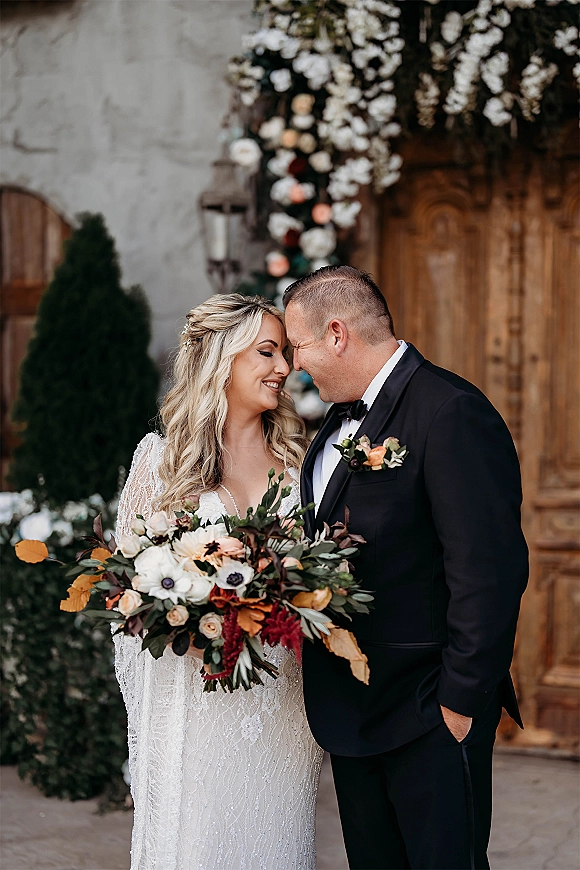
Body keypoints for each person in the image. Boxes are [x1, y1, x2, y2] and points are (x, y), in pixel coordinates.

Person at [283, 265, 529, 870]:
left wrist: (460, 704)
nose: (295, 365)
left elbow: (489, 571)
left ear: (336, 334)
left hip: (427, 710)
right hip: (356, 711)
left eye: (298, 346)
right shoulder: (336, 422)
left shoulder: (449, 411)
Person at [114, 294, 323, 870]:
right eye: (267, 352)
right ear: (220, 358)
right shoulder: (161, 461)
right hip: (197, 699)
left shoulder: (299, 464)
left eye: (284, 352)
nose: (284, 367)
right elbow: (129, 591)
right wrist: (191, 604)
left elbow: (315, 576)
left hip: (281, 698)